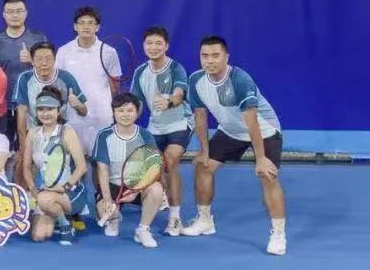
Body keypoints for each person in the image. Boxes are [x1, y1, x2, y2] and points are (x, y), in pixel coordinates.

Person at [185, 36, 286, 255]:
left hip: (264, 130)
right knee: (203, 166)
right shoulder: (195, 80)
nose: (210, 60)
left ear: (226, 57)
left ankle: (278, 235)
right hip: (231, 130)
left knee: (267, 175)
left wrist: (260, 158)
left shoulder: (240, 79)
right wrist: (204, 151)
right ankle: (204, 221)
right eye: (205, 56)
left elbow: (252, 122)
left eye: (215, 55)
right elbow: (200, 116)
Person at [130, 26, 191, 236]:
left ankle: (175, 218)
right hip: (155, 126)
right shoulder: (140, 72)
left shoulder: (176, 68)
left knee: (170, 160)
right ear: (143, 46)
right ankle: (161, 194)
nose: (153, 47)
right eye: (149, 43)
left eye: (158, 43)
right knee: (155, 168)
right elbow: (136, 104)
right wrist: (126, 120)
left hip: (179, 123)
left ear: (166, 46)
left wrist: (169, 102)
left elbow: (179, 94)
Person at [93, 93, 166, 248]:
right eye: (120, 110)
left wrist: (136, 189)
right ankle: (113, 218)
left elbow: (153, 168)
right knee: (104, 210)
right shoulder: (104, 135)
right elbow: (102, 169)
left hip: (138, 184)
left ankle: (143, 230)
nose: (125, 114)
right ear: (113, 113)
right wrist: (107, 199)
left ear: (137, 112)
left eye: (129, 110)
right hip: (113, 185)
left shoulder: (145, 135)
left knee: (156, 190)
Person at [21, 87, 88, 246]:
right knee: (38, 235)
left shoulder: (67, 132)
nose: (45, 113)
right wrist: (33, 188)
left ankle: (65, 225)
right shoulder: (32, 133)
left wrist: (65, 187)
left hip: (70, 192)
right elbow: (26, 166)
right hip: (45, 192)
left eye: (50, 109)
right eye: (41, 109)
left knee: (44, 200)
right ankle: (59, 216)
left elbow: (82, 167)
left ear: (59, 111)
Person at [56, 6, 118, 163]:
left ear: (98, 27)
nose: (86, 26)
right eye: (82, 22)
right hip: (73, 117)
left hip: (102, 117)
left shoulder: (109, 52)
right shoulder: (64, 51)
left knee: (101, 163)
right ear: (75, 26)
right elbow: (58, 84)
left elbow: (115, 86)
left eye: (91, 23)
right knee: (75, 163)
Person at [0, 0, 47, 140]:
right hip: (4, 106)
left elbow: (50, 71)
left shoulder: (38, 39)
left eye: (19, 11)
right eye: (10, 11)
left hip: (32, 105)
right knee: (4, 148)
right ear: (4, 15)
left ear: (26, 13)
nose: (15, 15)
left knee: (33, 147)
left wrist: (32, 61)